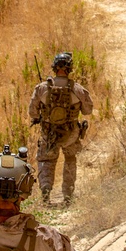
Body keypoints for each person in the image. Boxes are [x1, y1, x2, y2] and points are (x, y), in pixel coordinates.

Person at [28, 53, 93, 205]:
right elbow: (87, 111)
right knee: (70, 160)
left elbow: (32, 112)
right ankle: (68, 195)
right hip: (70, 133)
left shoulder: (42, 88)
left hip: (48, 133)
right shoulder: (77, 89)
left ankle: (45, 190)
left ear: (54, 67)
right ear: (70, 68)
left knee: (46, 161)